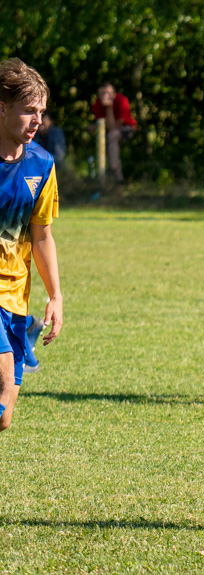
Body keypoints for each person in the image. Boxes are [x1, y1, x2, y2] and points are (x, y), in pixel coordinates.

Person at [0, 58, 64, 432]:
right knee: (4, 383)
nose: (38, 120)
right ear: (2, 107)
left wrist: (55, 295)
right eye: (28, 111)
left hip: (15, 298)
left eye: (41, 111)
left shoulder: (41, 163)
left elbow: (41, 236)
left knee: (4, 418)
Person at [90, 82, 136, 182]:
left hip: (125, 128)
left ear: (114, 94)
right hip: (107, 131)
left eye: (107, 93)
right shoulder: (97, 104)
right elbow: (102, 124)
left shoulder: (121, 100)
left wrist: (108, 107)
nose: (104, 97)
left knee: (112, 135)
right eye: (101, 94)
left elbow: (114, 126)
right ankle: (104, 175)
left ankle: (114, 169)